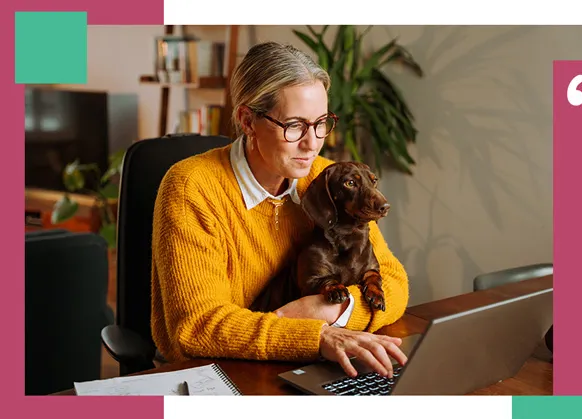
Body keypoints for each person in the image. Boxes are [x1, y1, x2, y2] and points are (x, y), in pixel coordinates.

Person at [149, 41, 409, 378]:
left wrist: (329, 310)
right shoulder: (192, 187)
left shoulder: (326, 181)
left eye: (320, 123)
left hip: (305, 365)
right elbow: (198, 326)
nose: (312, 143)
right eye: (295, 125)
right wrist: (315, 335)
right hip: (217, 374)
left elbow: (394, 282)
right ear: (247, 119)